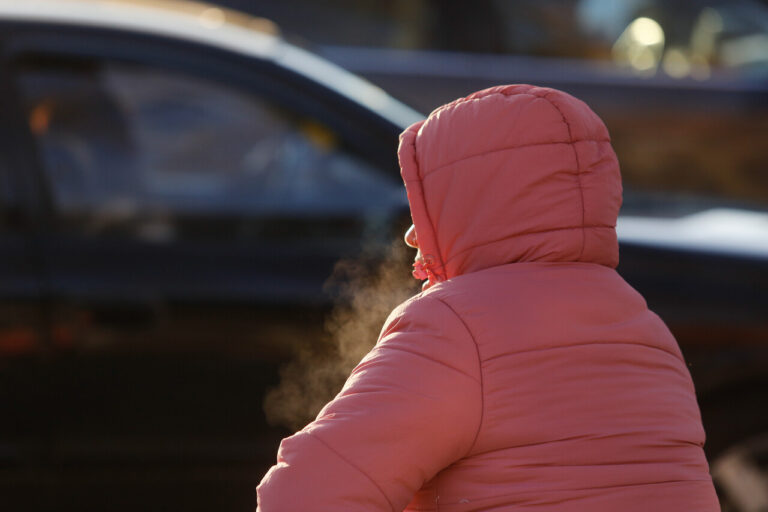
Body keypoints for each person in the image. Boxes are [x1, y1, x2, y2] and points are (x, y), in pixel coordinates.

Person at [256, 84, 720, 511]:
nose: (415, 235)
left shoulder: (457, 327)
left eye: (428, 207)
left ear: (469, 202)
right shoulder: (646, 331)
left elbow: (300, 495)